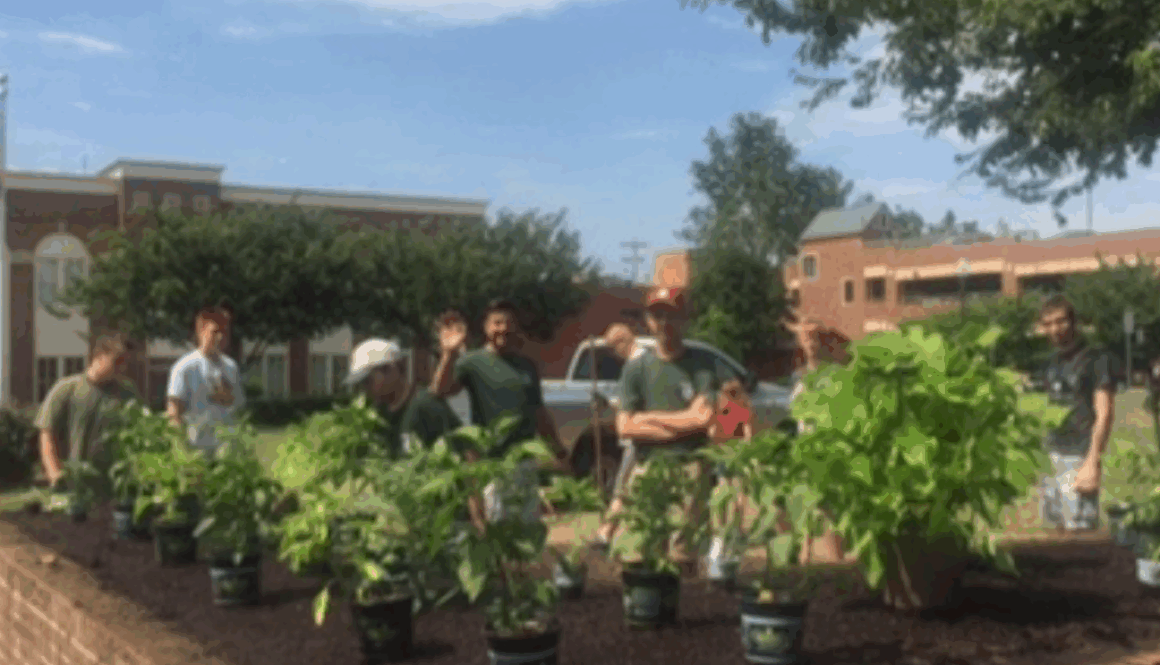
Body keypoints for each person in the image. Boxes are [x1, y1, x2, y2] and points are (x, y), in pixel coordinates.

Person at [607, 286, 726, 570]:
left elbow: (703, 419)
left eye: (671, 315)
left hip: (690, 469)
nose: (664, 323)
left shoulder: (701, 364)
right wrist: (682, 419)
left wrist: (647, 419)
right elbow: (625, 427)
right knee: (636, 551)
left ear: (684, 319)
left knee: (682, 556)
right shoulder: (637, 368)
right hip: (647, 467)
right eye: (657, 315)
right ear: (648, 320)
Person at [431, 298, 571, 528]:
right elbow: (440, 390)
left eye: (508, 323)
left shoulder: (526, 366)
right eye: (496, 323)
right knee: (497, 530)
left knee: (527, 530)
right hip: (492, 464)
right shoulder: (473, 362)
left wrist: (558, 449)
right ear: (486, 327)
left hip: (524, 463)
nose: (502, 329)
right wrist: (448, 354)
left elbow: (539, 413)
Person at [1038, 294, 1117, 533]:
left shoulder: (1095, 359)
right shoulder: (1051, 363)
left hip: (1079, 456)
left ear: (1073, 323)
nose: (1055, 328)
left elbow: (1105, 412)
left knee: (1080, 534)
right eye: (1048, 323)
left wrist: (1092, 461)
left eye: (1061, 321)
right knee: (1054, 532)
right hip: (1051, 455)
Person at [36, 334, 139, 491]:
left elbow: (139, 433)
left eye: (126, 363)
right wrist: (55, 473)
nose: (122, 368)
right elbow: (47, 432)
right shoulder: (66, 389)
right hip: (75, 484)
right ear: (98, 357)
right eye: (117, 361)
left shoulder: (127, 393)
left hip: (115, 486)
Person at [787, 316, 848, 563]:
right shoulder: (798, 376)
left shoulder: (834, 374)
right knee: (804, 508)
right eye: (805, 337)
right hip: (805, 449)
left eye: (815, 336)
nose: (810, 342)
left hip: (828, 449)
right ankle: (804, 561)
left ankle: (837, 562)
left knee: (830, 510)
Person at [343, 337, 462, 456]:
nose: (364, 389)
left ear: (391, 369)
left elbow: (466, 451)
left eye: (368, 381)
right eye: (361, 384)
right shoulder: (378, 416)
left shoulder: (426, 405)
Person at [593, 322, 650, 551]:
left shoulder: (640, 364)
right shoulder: (637, 363)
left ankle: (606, 533)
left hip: (639, 437)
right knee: (627, 488)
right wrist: (610, 404)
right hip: (636, 436)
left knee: (623, 488)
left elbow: (641, 405)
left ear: (622, 342)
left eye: (612, 348)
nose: (613, 354)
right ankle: (607, 533)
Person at [167, 305, 245, 455]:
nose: (220, 337)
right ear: (200, 331)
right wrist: (181, 449)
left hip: (226, 451)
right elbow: (174, 413)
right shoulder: (184, 367)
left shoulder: (231, 367)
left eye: (224, 332)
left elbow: (239, 408)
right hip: (196, 451)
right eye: (215, 332)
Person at [706, 377, 754, 566]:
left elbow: (711, 432)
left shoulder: (725, 407)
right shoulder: (741, 407)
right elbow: (748, 435)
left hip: (727, 453)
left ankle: (724, 536)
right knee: (734, 495)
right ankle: (729, 535)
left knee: (727, 493)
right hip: (732, 453)